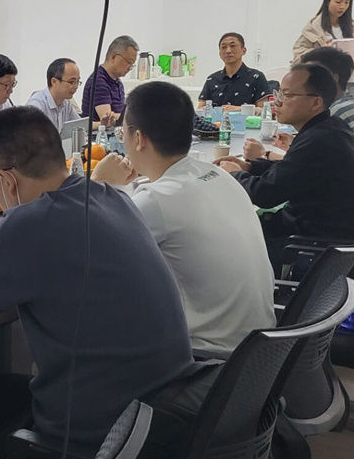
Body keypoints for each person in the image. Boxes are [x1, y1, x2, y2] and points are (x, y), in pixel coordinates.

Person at [0, 107, 195, 459]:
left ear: (8, 181)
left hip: (94, 445)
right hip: (160, 414)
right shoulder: (112, 197)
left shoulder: (31, 224)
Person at [92, 84, 275, 355]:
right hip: (257, 355)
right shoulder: (218, 175)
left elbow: (90, 252)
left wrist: (96, 185)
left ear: (139, 138)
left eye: (123, 133)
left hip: (206, 360)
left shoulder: (156, 199)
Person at [218, 63, 354, 267]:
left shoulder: (319, 140)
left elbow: (264, 194)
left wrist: (234, 174)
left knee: (225, 233)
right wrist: (249, 167)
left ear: (315, 103)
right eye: (278, 94)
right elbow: (293, 171)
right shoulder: (330, 127)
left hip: (317, 246)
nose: (277, 102)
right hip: (325, 232)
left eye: (287, 96)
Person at [286, 47, 354, 201]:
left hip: (353, 205)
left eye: (313, 75)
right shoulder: (351, 104)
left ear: (333, 79)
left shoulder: (336, 113)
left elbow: (299, 167)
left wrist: (266, 156)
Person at [196, 32, 272, 111]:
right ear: (220, 54)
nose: (228, 51)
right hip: (216, 119)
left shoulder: (256, 77)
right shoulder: (212, 79)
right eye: (224, 47)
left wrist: (239, 109)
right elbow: (200, 110)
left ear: (243, 50)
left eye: (232, 46)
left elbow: (264, 110)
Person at [81, 35, 137, 127]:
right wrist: (134, 118)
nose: (130, 67)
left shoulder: (117, 81)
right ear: (113, 57)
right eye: (129, 62)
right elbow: (108, 118)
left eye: (132, 64)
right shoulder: (99, 81)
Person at [25, 58, 82, 132]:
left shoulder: (66, 103)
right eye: (71, 82)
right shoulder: (36, 106)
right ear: (54, 82)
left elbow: (80, 126)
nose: (76, 86)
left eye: (78, 82)